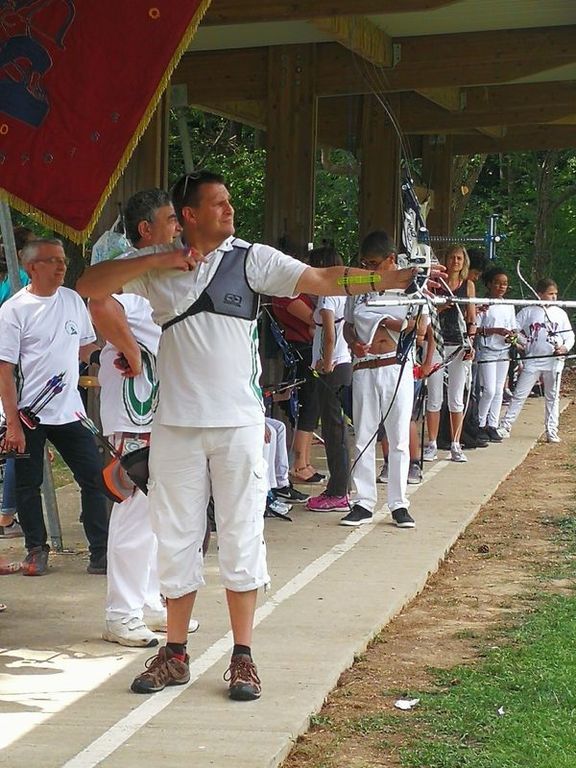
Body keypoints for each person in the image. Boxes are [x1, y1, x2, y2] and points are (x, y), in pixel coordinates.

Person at [76, 170, 420, 701]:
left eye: (229, 201)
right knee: (176, 539)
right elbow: (90, 286)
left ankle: (242, 656)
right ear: (190, 215)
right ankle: (174, 653)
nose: (229, 209)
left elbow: (321, 280)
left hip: (236, 424)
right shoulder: (160, 267)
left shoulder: (250, 259)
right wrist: (158, 259)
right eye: (218, 203)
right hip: (176, 427)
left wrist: (386, 282)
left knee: (241, 537)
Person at [90, 188, 200, 647]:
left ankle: (150, 600)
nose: (177, 226)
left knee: (158, 512)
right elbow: (99, 303)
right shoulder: (126, 272)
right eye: (170, 219)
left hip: (161, 409)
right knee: (134, 510)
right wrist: (132, 351)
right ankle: (122, 612)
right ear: (145, 229)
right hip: (135, 411)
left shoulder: (160, 274)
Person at [0, 238, 109, 576]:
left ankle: (102, 552)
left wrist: (107, 359)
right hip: (29, 414)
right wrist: (13, 423)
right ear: (32, 267)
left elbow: (85, 346)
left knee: (94, 477)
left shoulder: (73, 300)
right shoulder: (14, 310)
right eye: (53, 260)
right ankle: (36, 549)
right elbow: (5, 369)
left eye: (63, 260)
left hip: (70, 410)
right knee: (27, 484)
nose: (62, 266)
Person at [342, 231, 424, 529]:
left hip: (395, 364)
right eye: (365, 263)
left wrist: (390, 322)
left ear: (391, 259)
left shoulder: (410, 286)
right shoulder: (360, 286)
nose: (369, 268)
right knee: (363, 434)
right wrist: (353, 343)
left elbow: (421, 327)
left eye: (374, 263)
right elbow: (348, 326)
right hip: (365, 365)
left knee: (398, 437)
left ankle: (399, 503)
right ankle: (363, 501)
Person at [306, 245, 352, 513]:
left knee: (334, 430)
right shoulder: (343, 291)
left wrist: (325, 361)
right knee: (337, 429)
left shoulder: (327, 295)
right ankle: (340, 487)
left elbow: (329, 334)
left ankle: (338, 492)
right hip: (342, 364)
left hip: (332, 368)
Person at [499, 278, 574, 443]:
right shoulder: (528, 311)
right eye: (550, 294)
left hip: (554, 361)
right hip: (533, 360)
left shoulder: (559, 313)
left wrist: (564, 348)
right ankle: (505, 426)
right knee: (520, 394)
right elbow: (513, 329)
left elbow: (569, 336)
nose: (554, 297)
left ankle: (551, 430)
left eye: (555, 294)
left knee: (552, 397)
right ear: (539, 294)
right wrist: (524, 342)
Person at [424, 244, 476, 463]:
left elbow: (471, 317)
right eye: (452, 257)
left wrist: (471, 343)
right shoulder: (435, 283)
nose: (455, 261)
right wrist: (439, 308)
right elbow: (425, 312)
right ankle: (432, 443)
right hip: (436, 342)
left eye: (459, 258)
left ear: (464, 262)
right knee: (434, 396)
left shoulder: (468, 285)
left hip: (459, 344)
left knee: (456, 397)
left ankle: (456, 443)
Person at [271, 292, 323, 483]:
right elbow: (314, 320)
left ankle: (305, 461)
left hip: (309, 349)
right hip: (301, 352)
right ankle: (299, 464)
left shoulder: (297, 295)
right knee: (307, 407)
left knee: (313, 407)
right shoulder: (286, 297)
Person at [475, 266, 517, 443]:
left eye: (504, 284)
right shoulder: (483, 304)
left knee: (499, 390)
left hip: (503, 351)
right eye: (497, 283)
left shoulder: (508, 305)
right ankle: (479, 423)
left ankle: (492, 424)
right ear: (489, 284)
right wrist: (495, 331)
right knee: (489, 390)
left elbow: (513, 327)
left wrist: (512, 336)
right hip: (487, 351)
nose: (501, 287)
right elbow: (475, 328)